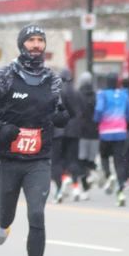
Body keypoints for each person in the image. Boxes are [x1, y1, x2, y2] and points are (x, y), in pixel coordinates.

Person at [0, 24, 67, 256]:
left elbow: (59, 109)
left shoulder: (53, 80)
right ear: (21, 44)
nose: (36, 45)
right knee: (6, 217)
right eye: (31, 41)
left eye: (40, 40)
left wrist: (61, 116)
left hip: (39, 157)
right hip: (8, 157)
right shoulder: (2, 77)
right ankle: (0, 222)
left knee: (37, 213)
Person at [94, 72, 129, 206]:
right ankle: (121, 191)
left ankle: (108, 175)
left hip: (106, 132)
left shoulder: (103, 94)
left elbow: (99, 109)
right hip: (120, 133)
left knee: (105, 157)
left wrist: (97, 119)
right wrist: (126, 121)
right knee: (120, 162)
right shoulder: (124, 95)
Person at [50, 68, 84, 202]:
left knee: (56, 161)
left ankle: (60, 188)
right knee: (73, 160)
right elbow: (81, 112)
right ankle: (76, 187)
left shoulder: (56, 91)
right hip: (74, 131)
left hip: (58, 131)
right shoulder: (77, 93)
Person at [76, 72, 99, 200]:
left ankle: (85, 182)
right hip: (94, 131)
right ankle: (90, 174)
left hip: (81, 132)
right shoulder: (96, 96)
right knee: (91, 158)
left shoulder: (77, 95)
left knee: (81, 158)